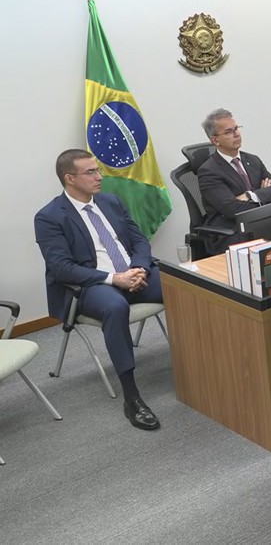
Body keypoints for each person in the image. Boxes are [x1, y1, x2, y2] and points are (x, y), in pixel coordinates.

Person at [34, 149, 164, 431]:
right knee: (115, 307)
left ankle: (198, 361)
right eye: (91, 172)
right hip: (92, 285)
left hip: (133, 273)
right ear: (69, 178)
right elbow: (62, 268)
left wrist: (140, 268)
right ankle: (132, 398)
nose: (99, 176)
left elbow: (139, 241)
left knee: (184, 283)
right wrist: (114, 278)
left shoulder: (110, 201)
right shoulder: (49, 217)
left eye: (98, 170)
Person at [197, 108, 271, 255]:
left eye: (237, 128)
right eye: (228, 132)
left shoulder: (253, 160)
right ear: (215, 140)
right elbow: (233, 210)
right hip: (232, 232)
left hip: (259, 224)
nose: (237, 134)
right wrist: (263, 195)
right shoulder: (208, 171)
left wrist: (250, 196)